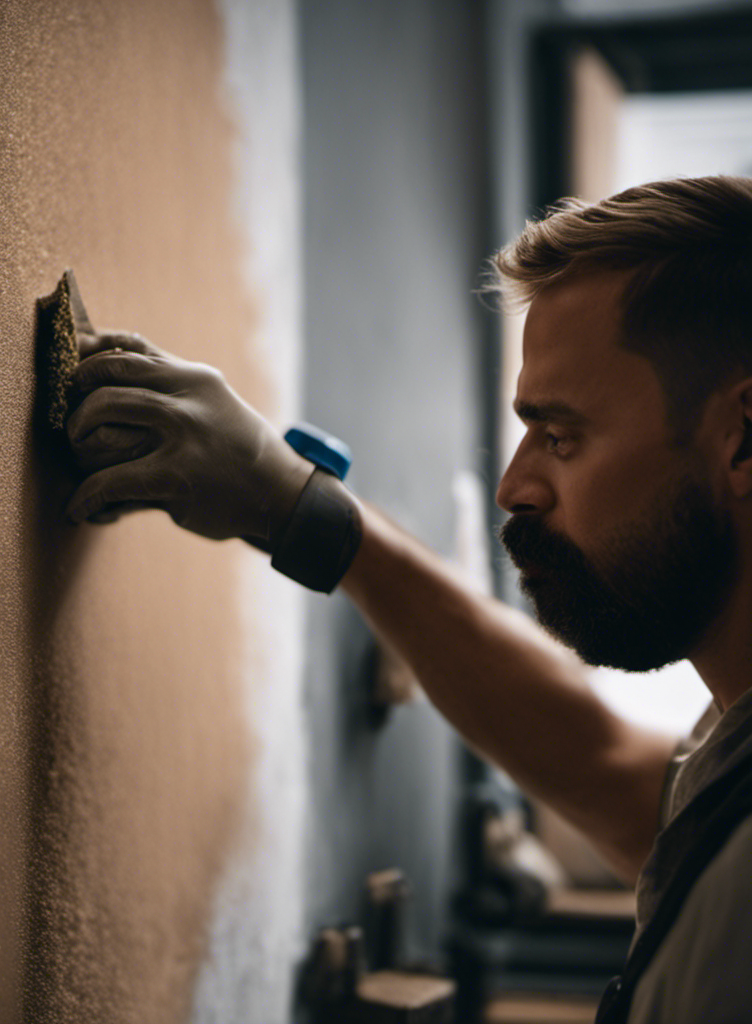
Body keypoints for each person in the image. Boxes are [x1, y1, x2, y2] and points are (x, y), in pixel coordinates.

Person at [62, 176, 752, 1022]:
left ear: (744, 436)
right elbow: (611, 773)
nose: (513, 486)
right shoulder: (732, 756)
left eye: (562, 436)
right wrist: (297, 509)